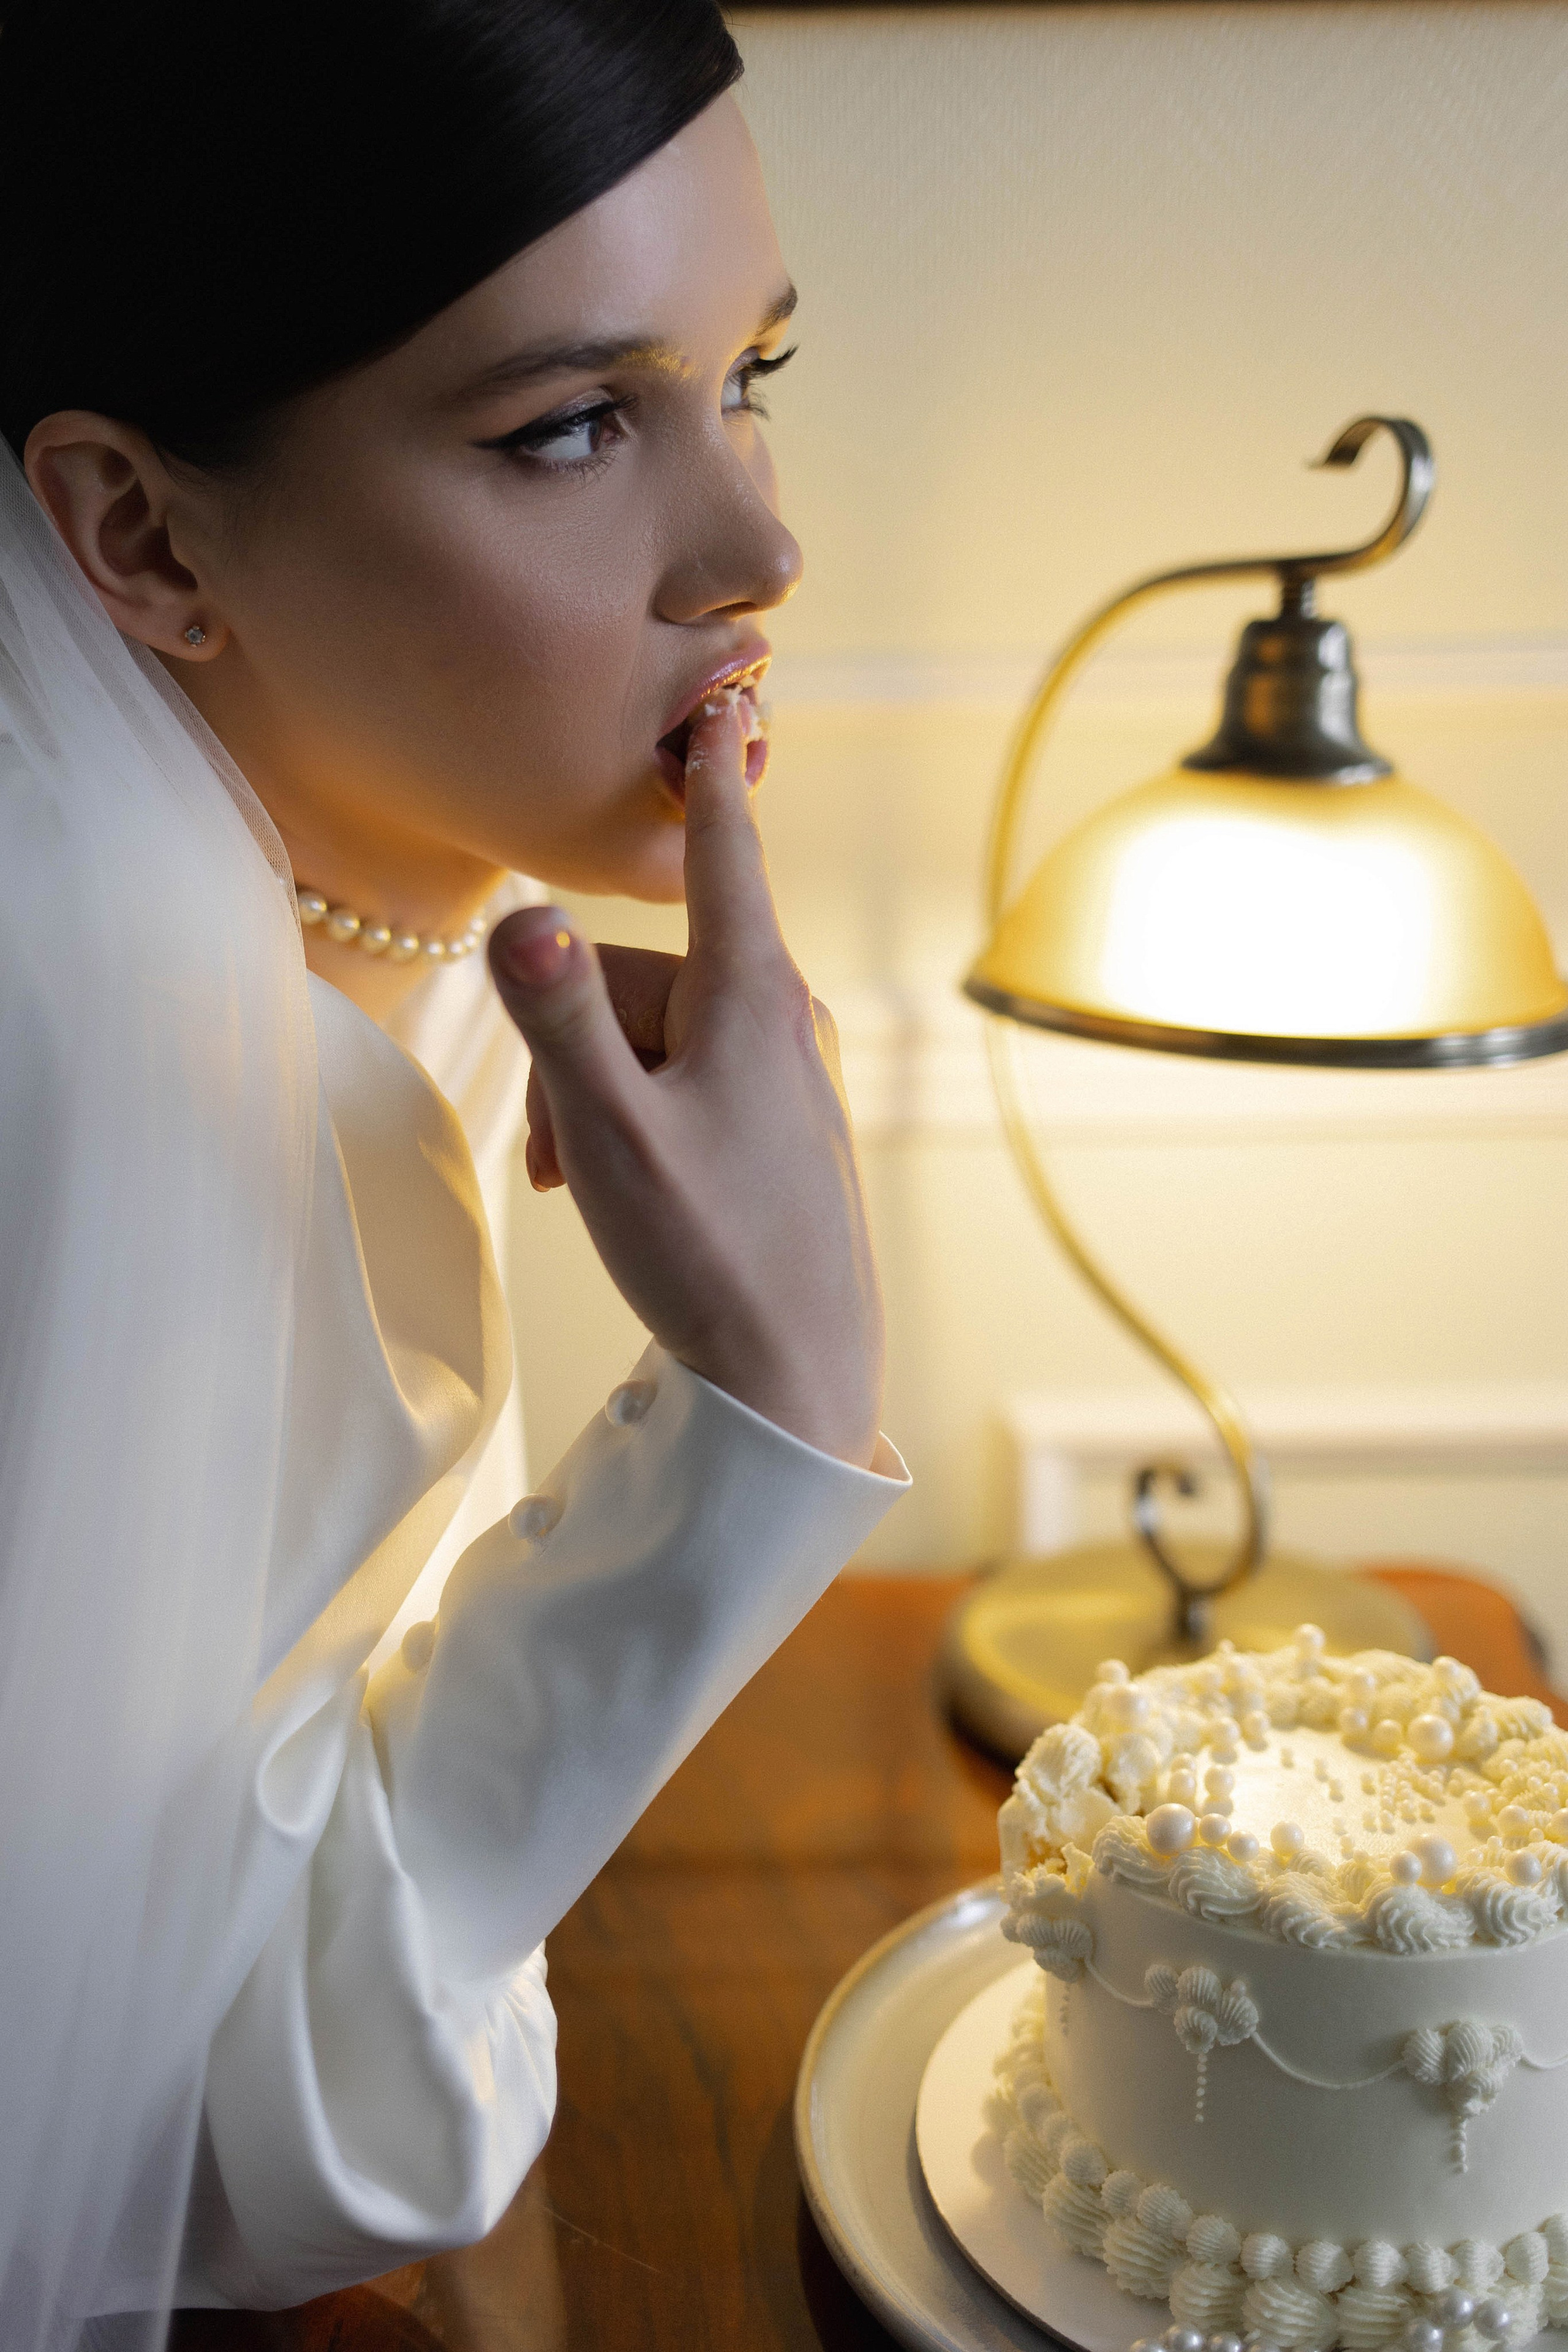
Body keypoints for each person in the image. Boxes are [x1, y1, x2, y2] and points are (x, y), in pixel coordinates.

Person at [0, 3, 908, 2341]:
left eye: (755, 374)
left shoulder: (368, 873)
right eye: (577, 425)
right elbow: (219, 2152)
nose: (760, 546)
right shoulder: (77, 1032)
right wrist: (756, 1414)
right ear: (137, 529)